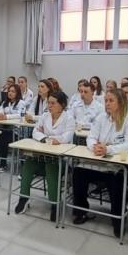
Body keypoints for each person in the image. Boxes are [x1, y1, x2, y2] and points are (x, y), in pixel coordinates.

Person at [70, 88, 128, 238]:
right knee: (78, 172)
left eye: (111, 101)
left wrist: (108, 149)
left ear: (121, 103)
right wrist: (94, 147)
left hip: (121, 167)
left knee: (117, 180)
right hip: (100, 162)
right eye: (106, 100)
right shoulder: (101, 118)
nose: (107, 104)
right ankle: (81, 211)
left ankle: (117, 220)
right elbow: (90, 137)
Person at [14, 91, 75, 221]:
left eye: (53, 103)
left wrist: (54, 138)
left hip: (60, 160)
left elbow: (67, 137)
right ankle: (23, 198)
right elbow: (35, 131)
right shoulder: (45, 116)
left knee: (51, 166)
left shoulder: (69, 118)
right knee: (29, 163)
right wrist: (45, 139)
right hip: (42, 155)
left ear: (62, 105)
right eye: (49, 103)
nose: (49, 106)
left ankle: (54, 204)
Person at [0, 83, 28, 169]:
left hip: (16, 129)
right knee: (0, 136)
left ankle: (21, 164)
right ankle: (3, 162)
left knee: (4, 136)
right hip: (5, 128)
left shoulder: (21, 103)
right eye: (9, 91)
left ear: (17, 93)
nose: (10, 93)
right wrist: (0, 114)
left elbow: (20, 115)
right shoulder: (5, 102)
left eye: (13, 91)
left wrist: (6, 117)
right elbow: (0, 111)